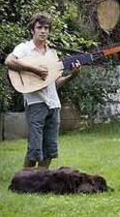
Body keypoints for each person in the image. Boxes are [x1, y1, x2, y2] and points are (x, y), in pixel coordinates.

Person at [5, 12, 80, 169]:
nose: (43, 31)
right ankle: (25, 179)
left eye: (46, 28)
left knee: (50, 147)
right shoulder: (24, 49)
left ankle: (41, 179)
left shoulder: (52, 54)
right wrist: (34, 69)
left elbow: (55, 82)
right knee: (35, 147)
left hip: (53, 104)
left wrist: (72, 75)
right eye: (39, 27)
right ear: (32, 30)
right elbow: (9, 61)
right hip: (35, 102)